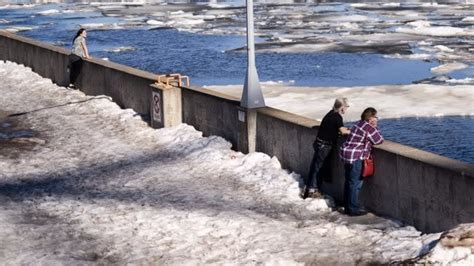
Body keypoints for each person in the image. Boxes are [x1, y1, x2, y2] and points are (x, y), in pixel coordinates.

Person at [301, 98, 350, 199]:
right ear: (342, 108)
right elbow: (343, 131)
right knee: (317, 167)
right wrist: (354, 132)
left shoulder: (330, 113)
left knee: (315, 166)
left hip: (319, 143)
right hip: (325, 145)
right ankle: (312, 190)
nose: (347, 109)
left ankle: (310, 188)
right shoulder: (337, 117)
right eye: (346, 107)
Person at [340, 107, 383, 216]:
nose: (376, 119)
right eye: (375, 117)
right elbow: (379, 140)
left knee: (349, 182)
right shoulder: (369, 127)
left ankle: (347, 207)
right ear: (371, 118)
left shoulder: (358, 123)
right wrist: (375, 127)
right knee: (355, 184)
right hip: (356, 157)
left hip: (347, 155)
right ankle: (353, 210)